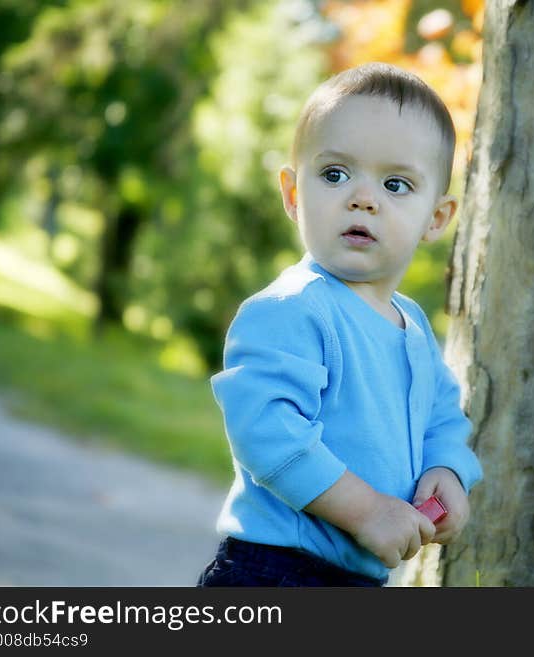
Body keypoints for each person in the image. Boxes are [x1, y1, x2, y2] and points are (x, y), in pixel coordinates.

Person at [197, 62, 483, 587]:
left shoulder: (413, 328)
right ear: (292, 194)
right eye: (335, 174)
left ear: (436, 219)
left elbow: (442, 419)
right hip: (276, 570)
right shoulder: (292, 308)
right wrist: (367, 511)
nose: (363, 197)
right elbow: (268, 432)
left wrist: (447, 473)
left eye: (396, 184)